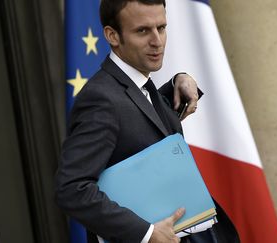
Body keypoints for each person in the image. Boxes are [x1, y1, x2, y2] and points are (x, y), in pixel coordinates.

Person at [55, 0, 239, 242]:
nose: (157, 41)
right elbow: (71, 188)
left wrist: (176, 82)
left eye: (161, 28)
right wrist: (146, 234)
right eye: (142, 31)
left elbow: (139, 120)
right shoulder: (99, 99)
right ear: (112, 35)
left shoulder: (137, 84)